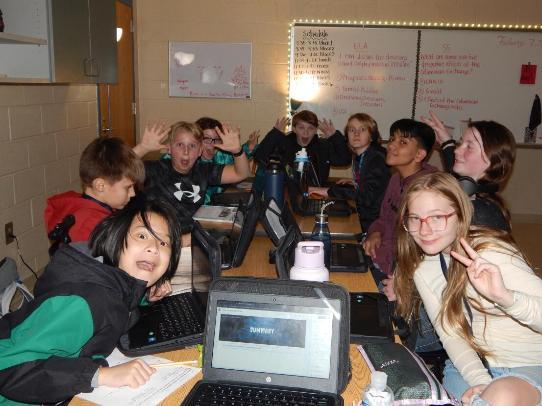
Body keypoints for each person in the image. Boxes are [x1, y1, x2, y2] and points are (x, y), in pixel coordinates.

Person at [0, 196, 182, 404]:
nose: (154, 248)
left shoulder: (114, 286)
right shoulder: (84, 303)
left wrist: (144, 297)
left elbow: (116, 311)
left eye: (163, 242)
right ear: (115, 237)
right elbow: (8, 368)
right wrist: (99, 375)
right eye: (142, 236)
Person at [394, 172, 542, 405]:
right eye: (415, 218)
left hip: (529, 366)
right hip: (470, 367)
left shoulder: (491, 252)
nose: (424, 230)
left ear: (461, 215)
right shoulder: (423, 269)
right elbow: (451, 336)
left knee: (501, 395)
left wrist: (506, 298)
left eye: (437, 217)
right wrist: (480, 381)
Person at [133, 121, 250, 230]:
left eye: (192, 146)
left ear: (200, 151)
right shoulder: (156, 169)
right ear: (169, 148)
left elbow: (241, 173)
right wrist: (142, 148)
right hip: (159, 235)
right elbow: (122, 170)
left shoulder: (204, 170)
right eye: (180, 145)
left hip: (191, 235)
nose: (186, 151)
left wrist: (237, 151)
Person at [362, 118, 437, 277]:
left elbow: (421, 248)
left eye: (402, 142)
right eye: (391, 139)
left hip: (400, 274)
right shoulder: (396, 179)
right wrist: (375, 232)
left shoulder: (427, 189)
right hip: (381, 259)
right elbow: (383, 218)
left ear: (419, 154)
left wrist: (399, 279)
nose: (390, 146)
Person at [421, 111, 516, 231]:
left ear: (493, 158)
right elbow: (454, 171)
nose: (456, 150)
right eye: (460, 143)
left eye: (469, 147)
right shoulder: (473, 195)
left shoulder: (482, 215)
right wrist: (446, 142)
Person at [44, 137, 145, 243]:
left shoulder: (86, 208)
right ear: (100, 186)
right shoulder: (90, 228)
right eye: (128, 187)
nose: (133, 194)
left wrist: (143, 147)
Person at [308, 113, 390, 231]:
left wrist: (328, 191)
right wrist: (357, 182)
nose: (356, 133)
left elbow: (366, 197)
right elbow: (373, 186)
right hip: (368, 217)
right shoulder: (362, 155)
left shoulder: (377, 159)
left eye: (362, 129)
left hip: (375, 224)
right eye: (352, 130)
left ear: (372, 136)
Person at [253, 110, 351, 186]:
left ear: (315, 130)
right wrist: (275, 134)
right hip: (286, 191)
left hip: (316, 193)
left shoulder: (323, 147)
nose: (306, 132)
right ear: (294, 129)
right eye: (301, 128)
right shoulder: (284, 144)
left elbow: (345, 161)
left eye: (310, 128)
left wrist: (335, 137)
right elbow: (259, 157)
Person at [196, 116, 259, 204]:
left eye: (217, 139)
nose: (212, 144)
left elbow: (240, 162)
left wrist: (248, 147)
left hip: (221, 203)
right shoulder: (192, 163)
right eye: (206, 139)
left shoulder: (221, 155)